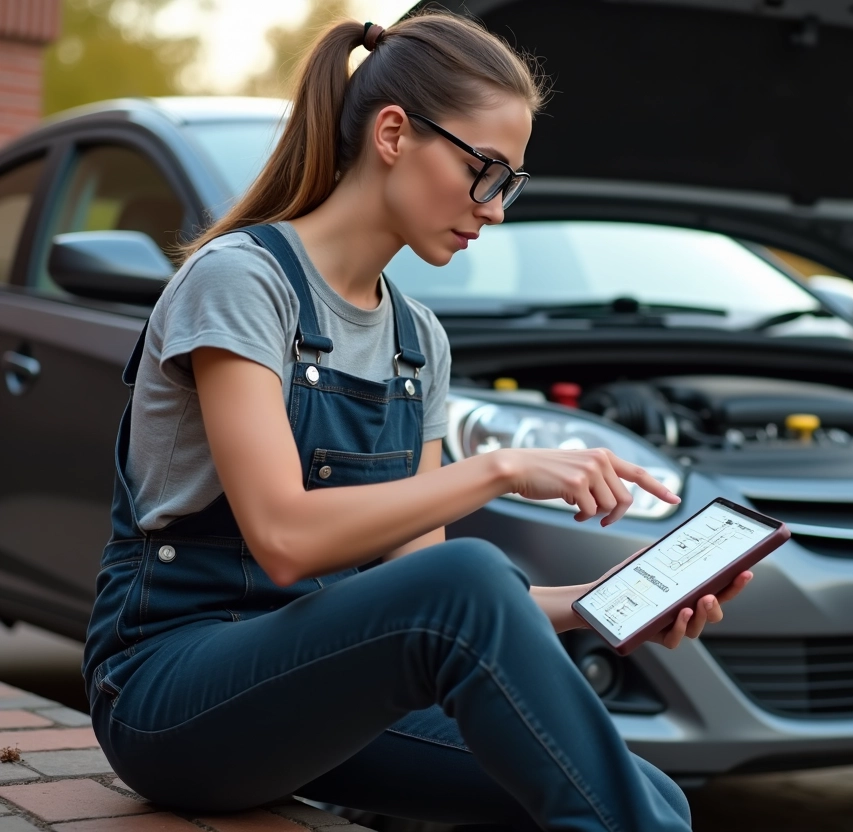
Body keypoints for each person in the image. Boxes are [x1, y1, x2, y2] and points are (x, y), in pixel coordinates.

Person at [81, 11, 753, 831]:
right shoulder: (242, 283)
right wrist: (501, 469)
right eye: (486, 171)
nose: (495, 209)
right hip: (170, 697)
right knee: (479, 589)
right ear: (393, 133)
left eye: (510, 183)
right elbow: (285, 538)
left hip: (316, 697)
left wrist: (603, 602)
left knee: (649, 792)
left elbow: (427, 595)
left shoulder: (417, 341)